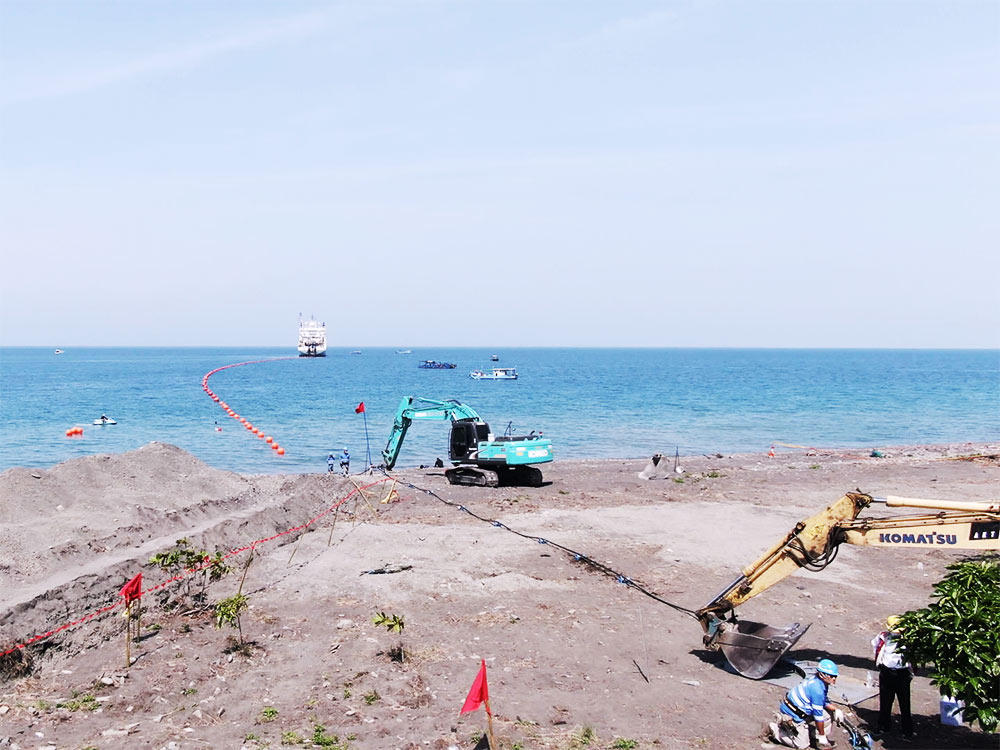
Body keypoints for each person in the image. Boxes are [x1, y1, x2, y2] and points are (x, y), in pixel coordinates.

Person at [768, 659, 845, 748]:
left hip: (800, 708)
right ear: (822, 674)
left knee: (828, 715)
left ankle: (816, 738)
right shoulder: (817, 689)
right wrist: (822, 735)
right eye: (831, 676)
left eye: (835, 676)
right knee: (802, 745)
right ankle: (776, 731)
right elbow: (818, 716)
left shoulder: (820, 682)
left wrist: (836, 710)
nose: (834, 678)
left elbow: (823, 701)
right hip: (793, 713)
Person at [872, 615, 913, 739]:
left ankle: (907, 731)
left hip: (902, 674)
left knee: (905, 704)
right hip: (887, 672)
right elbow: (875, 647)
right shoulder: (883, 637)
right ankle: (884, 726)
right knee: (885, 702)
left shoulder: (908, 640)